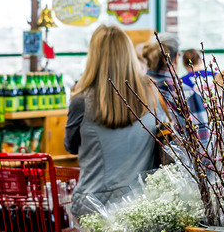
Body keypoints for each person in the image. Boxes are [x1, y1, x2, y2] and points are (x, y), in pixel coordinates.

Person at [64, 24, 164, 219]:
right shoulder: (150, 93)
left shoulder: (81, 100)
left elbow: (70, 146)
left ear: (93, 57)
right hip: (142, 204)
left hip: (93, 206)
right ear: (129, 54)